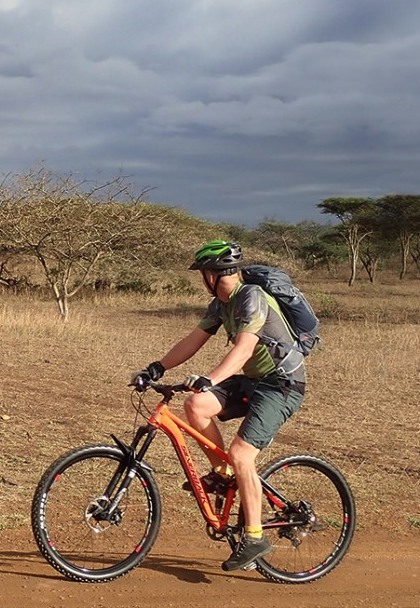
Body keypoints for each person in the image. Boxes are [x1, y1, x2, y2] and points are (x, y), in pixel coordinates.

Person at [131, 240, 306, 572]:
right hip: (254, 381)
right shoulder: (221, 304)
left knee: (242, 454)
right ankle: (224, 474)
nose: (202, 280)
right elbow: (193, 340)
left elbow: (243, 349)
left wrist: (211, 378)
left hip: (281, 384)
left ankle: (255, 538)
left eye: (203, 273)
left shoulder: (251, 297)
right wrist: (158, 367)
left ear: (213, 274)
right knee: (196, 405)